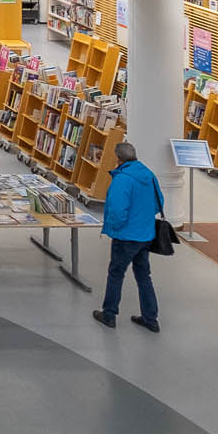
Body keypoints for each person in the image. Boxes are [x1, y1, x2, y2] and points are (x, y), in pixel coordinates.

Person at [94, 141, 162, 333]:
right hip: (146, 235)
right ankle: (151, 318)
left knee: (116, 274)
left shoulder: (122, 179)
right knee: (143, 276)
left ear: (118, 158)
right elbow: (159, 203)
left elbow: (117, 210)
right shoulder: (148, 174)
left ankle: (109, 314)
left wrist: (114, 229)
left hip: (126, 236)